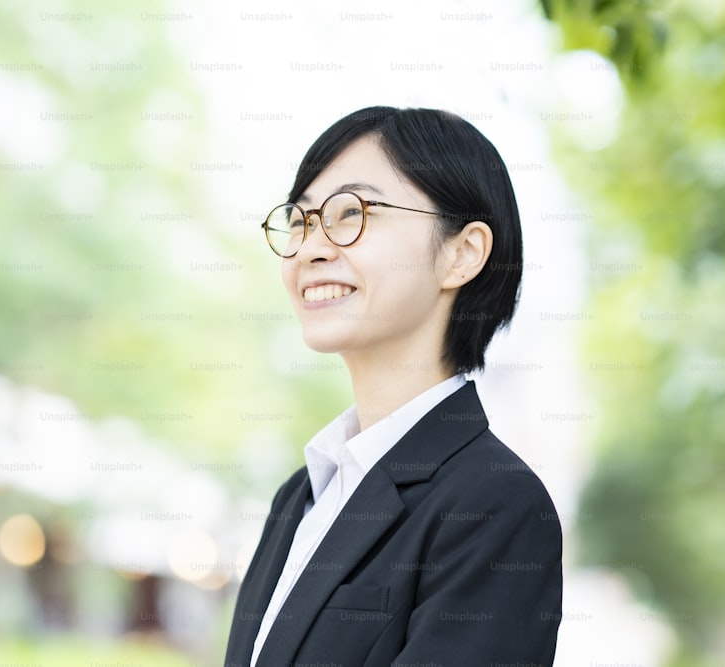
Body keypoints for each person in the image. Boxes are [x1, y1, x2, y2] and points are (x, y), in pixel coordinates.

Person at [224, 106, 562, 666]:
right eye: (302, 221)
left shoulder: (496, 506)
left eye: (352, 214)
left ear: (462, 253)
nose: (311, 249)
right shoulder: (299, 498)